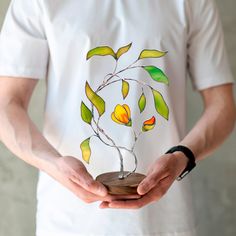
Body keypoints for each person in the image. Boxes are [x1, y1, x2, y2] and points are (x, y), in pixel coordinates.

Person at [0, 0, 235, 235]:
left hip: (165, 222)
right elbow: (7, 104)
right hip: (67, 221)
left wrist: (182, 155)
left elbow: (222, 105)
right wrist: (53, 164)